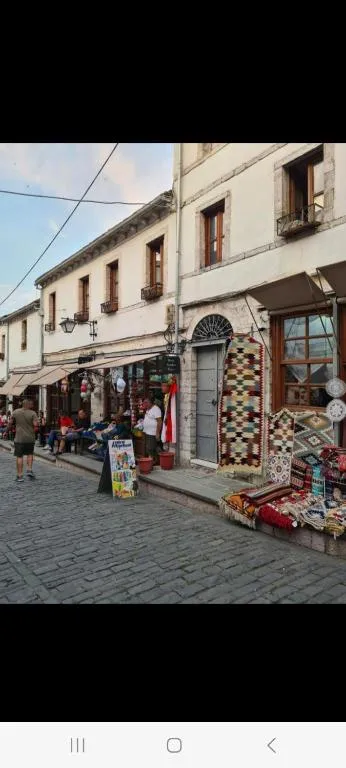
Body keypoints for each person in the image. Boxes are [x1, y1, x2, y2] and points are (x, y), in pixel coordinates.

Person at [11, 399, 39, 482]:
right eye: (31, 404)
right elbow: (35, 425)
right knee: (30, 454)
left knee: (19, 456)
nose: (32, 405)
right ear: (28, 405)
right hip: (30, 438)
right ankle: (29, 470)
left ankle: (20, 476)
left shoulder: (15, 412)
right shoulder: (33, 413)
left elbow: (10, 422)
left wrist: (7, 430)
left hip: (19, 438)